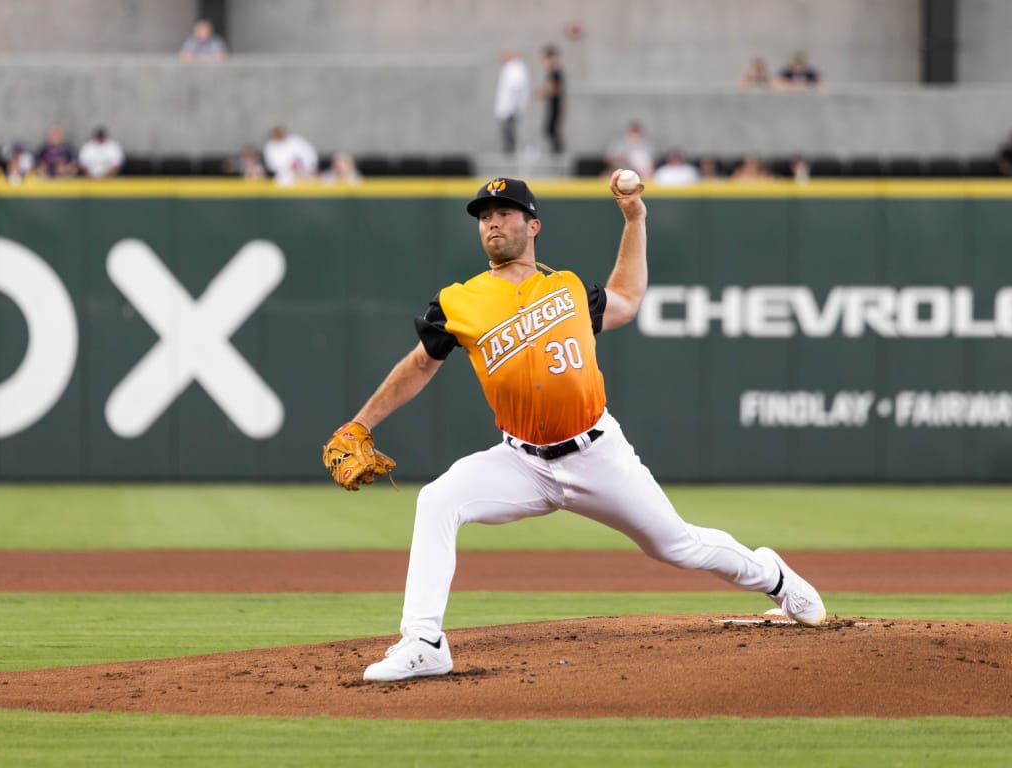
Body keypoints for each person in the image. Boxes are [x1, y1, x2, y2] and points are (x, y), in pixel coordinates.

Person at [326, 174, 826, 682]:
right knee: (437, 500)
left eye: (503, 212)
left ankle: (776, 578)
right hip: (520, 461)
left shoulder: (566, 290)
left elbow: (627, 300)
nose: (491, 222)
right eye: (483, 216)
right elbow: (418, 365)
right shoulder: (458, 302)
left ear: (533, 224)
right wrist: (360, 423)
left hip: (596, 454)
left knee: (676, 545)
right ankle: (425, 641)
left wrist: (635, 219)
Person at [493, 49, 531, 156]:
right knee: (508, 138)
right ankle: (509, 159)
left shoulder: (514, 68)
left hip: (509, 110)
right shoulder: (513, 68)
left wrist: (512, 109)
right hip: (508, 109)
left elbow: (515, 89)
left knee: (509, 138)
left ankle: (510, 162)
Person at [539, 45, 565, 156]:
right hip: (553, 106)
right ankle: (555, 153)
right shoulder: (552, 72)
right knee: (549, 130)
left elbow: (555, 89)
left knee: (552, 130)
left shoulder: (555, 72)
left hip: (556, 106)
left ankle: (557, 155)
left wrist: (544, 93)